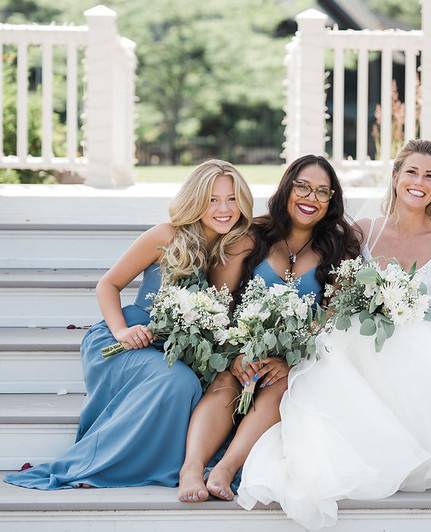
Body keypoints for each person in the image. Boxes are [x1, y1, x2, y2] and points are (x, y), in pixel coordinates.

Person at [236, 140, 431, 530]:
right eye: (411, 172)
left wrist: (405, 328)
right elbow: (338, 302)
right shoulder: (363, 232)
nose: (418, 182)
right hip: (361, 344)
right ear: (394, 177)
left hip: (426, 346)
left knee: (407, 348)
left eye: (429, 176)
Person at [5, 160, 254, 490]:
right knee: (178, 382)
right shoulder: (166, 236)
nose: (224, 208)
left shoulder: (233, 250)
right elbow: (108, 285)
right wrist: (122, 331)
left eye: (232, 198)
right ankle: (107, 465)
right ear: (195, 199)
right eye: (212, 199)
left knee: (196, 383)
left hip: (174, 348)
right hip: (127, 338)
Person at [178, 155, 361, 502]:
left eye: (323, 192)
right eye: (303, 187)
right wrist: (235, 355)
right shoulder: (250, 238)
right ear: (286, 188)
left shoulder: (341, 250)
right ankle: (191, 468)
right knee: (223, 383)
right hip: (239, 349)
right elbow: (218, 307)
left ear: (332, 200)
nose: (311, 198)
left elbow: (332, 321)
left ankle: (225, 469)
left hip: (300, 360)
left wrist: (291, 361)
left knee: (283, 388)